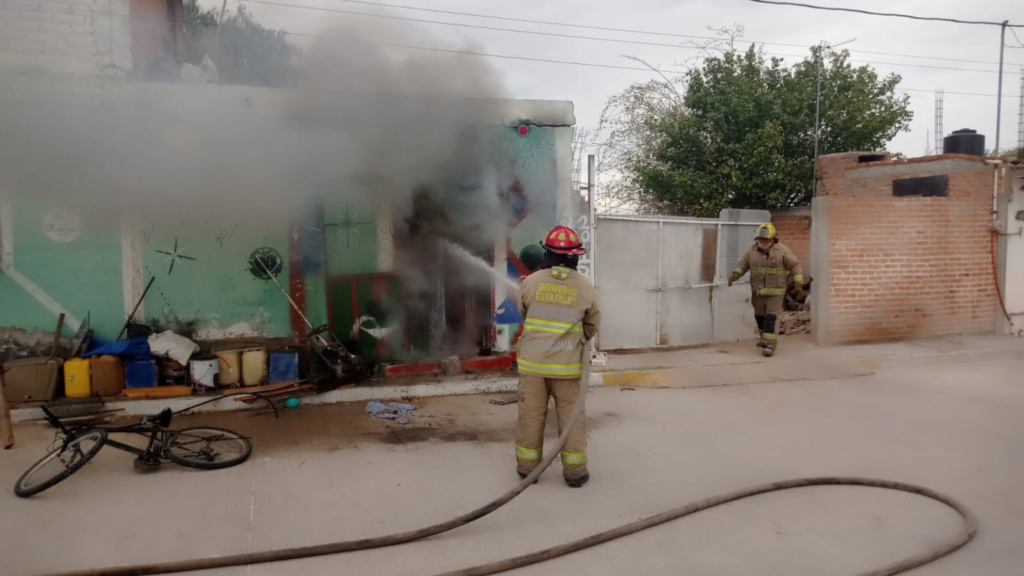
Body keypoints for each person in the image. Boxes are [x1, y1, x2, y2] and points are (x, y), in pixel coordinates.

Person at [515, 225, 601, 487]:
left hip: (533, 367)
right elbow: (592, 323)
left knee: (531, 417)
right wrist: (576, 340)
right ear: (574, 256)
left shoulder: (531, 282)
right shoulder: (586, 286)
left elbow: (524, 313)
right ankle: (575, 474)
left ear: (549, 255)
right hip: (568, 368)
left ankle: (528, 470)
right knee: (571, 419)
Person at [729, 223, 803, 357]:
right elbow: (743, 265)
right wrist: (735, 274)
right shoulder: (751, 251)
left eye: (766, 239)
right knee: (759, 316)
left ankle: (770, 344)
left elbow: (795, 265)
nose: (763, 241)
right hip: (757, 292)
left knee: (771, 317)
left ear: (773, 238)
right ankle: (764, 338)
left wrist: (798, 282)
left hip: (775, 293)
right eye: (760, 239)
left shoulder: (782, 251)